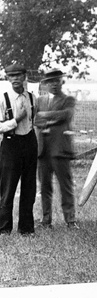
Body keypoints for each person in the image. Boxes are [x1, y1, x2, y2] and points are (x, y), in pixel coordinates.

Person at [34, 68, 76, 228]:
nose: (53, 84)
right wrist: (47, 118)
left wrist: (44, 116)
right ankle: (45, 220)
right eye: (50, 81)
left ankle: (70, 220)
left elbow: (65, 115)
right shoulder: (39, 101)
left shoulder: (68, 99)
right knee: (44, 187)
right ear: (45, 84)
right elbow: (34, 119)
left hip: (60, 150)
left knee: (65, 186)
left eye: (56, 81)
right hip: (42, 150)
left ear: (62, 82)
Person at [0, 65, 38, 236]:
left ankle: (26, 228)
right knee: (7, 188)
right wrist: (16, 120)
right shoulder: (3, 99)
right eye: (11, 76)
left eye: (18, 75)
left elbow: (33, 119)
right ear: (7, 78)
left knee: (29, 187)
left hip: (29, 142)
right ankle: (4, 229)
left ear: (24, 76)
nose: (15, 79)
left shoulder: (32, 97)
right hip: (11, 143)